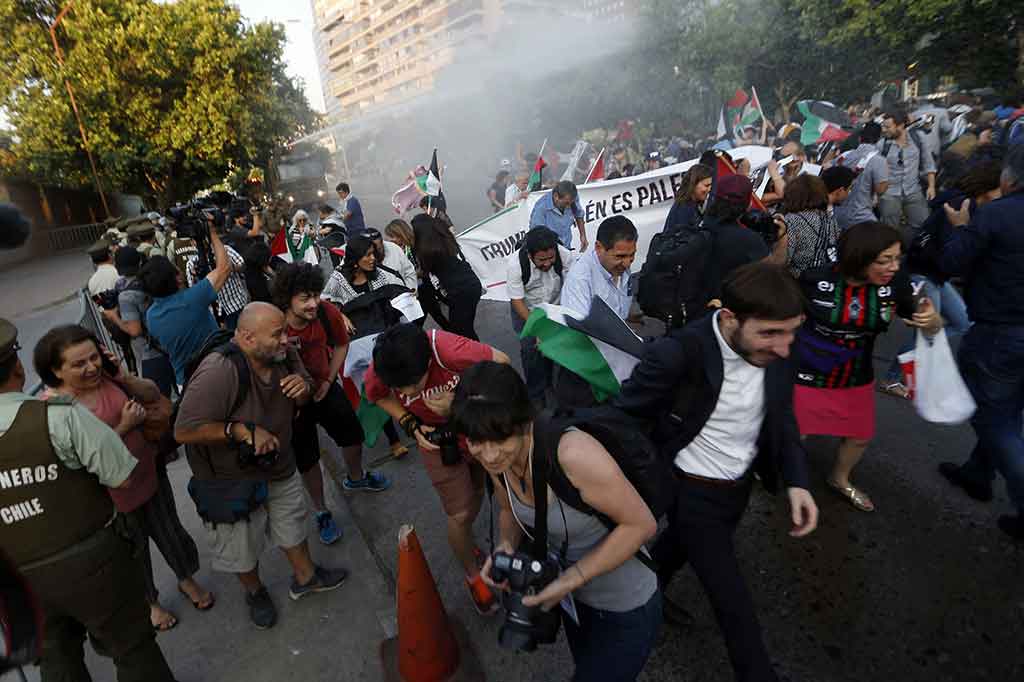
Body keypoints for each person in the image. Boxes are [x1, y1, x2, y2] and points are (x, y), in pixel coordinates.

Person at [612, 263, 818, 682]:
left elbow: (781, 415)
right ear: (729, 319)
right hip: (692, 492)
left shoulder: (780, 343)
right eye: (770, 335)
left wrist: (797, 480)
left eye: (791, 333)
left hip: (737, 489)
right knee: (734, 604)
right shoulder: (679, 354)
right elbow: (623, 418)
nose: (784, 349)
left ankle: (646, 591)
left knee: (677, 549)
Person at [452, 362, 660, 682]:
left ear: (524, 421)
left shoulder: (572, 454)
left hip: (625, 605)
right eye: (476, 441)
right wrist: (506, 548)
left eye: (501, 438)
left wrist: (568, 580)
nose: (490, 455)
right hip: (574, 601)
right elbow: (508, 510)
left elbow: (641, 525)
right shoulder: (496, 460)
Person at [0, 318, 176, 681]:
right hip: (92, 561)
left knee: (55, 659)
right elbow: (121, 474)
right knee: (131, 647)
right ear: (17, 368)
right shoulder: (59, 417)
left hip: (18, 579)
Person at [173, 302, 348, 628]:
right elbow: (183, 430)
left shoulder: (286, 354)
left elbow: (306, 392)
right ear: (246, 338)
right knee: (242, 545)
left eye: (284, 330)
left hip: (279, 464)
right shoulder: (218, 372)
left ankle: (306, 577)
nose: (286, 339)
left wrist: (303, 390)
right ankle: (255, 592)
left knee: (291, 521)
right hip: (230, 480)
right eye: (277, 334)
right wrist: (241, 431)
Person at [34, 325, 214, 632]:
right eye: (79, 364)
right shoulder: (53, 410)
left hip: (148, 471)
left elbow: (151, 394)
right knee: (134, 552)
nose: (91, 367)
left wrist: (121, 375)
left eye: (94, 358)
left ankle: (186, 579)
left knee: (170, 530)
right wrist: (124, 427)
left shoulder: (108, 377)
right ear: (56, 370)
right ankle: (151, 603)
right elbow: (76, 466)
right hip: (110, 496)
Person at [364, 323, 510, 614]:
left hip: (474, 427)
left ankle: (472, 543)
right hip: (435, 440)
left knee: (480, 491)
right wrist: (409, 422)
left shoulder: (448, 350)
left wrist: (461, 403)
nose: (406, 392)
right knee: (459, 513)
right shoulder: (386, 366)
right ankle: (473, 576)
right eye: (401, 388)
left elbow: (503, 366)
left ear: (429, 362)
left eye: (413, 385)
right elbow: (377, 395)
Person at [795, 222, 941, 512]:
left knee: (860, 434)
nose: (893, 267)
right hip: (808, 369)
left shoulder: (897, 284)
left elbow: (931, 330)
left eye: (897, 258)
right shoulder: (814, 279)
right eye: (884, 260)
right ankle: (783, 473)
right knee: (796, 432)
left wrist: (932, 320)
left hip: (856, 372)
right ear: (859, 258)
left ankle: (839, 478)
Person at [272, 262, 392, 546]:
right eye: (305, 299)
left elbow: (341, 343)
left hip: (325, 390)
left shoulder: (326, 312)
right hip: (292, 404)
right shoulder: (274, 323)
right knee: (307, 458)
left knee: (352, 435)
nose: (313, 303)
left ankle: (356, 476)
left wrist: (327, 380)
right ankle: (322, 511)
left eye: (315, 295)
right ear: (286, 299)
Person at [938, 146, 1024, 540]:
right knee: (1007, 408)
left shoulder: (996, 214)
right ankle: (978, 471)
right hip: (1007, 334)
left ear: (1009, 179)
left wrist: (960, 227)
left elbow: (951, 262)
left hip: (1000, 332)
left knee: (994, 417)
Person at [880, 160, 999, 398]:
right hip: (924, 272)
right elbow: (948, 251)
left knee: (962, 322)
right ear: (988, 187)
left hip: (936, 274)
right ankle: (893, 378)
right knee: (927, 330)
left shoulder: (968, 203)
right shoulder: (961, 206)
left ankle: (921, 362)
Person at [139, 224, 233, 387]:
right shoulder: (193, 299)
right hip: (215, 375)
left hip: (186, 383)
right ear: (177, 278)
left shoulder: (151, 316)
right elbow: (224, 268)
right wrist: (212, 232)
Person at [506, 227, 575, 406]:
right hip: (527, 310)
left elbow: (573, 287)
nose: (547, 263)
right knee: (531, 351)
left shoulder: (564, 255)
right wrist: (538, 329)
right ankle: (536, 395)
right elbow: (518, 301)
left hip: (555, 306)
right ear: (530, 255)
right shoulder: (515, 265)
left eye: (551, 258)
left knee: (553, 346)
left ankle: (550, 384)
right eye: (541, 260)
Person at [100, 246, 176, 397]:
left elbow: (135, 330)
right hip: (170, 344)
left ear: (117, 265)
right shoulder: (151, 280)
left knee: (159, 399)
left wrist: (113, 316)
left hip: (151, 354)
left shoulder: (126, 295)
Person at [411, 214, 484, 340]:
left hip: (460, 291)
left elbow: (426, 273)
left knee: (462, 331)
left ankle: (479, 356)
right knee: (464, 329)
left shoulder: (427, 250)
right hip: (470, 285)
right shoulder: (443, 240)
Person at [321, 235, 410, 337]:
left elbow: (387, 300)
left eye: (373, 253)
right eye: (368, 255)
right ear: (355, 258)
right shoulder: (338, 279)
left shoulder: (378, 274)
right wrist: (340, 316)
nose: (373, 258)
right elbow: (324, 304)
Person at [560, 215, 636, 320]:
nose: (627, 264)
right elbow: (580, 330)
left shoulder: (619, 266)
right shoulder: (579, 280)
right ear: (599, 248)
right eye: (620, 256)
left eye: (632, 255)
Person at [878, 108, 936, 236]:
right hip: (889, 193)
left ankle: (912, 248)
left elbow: (928, 163)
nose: (884, 130)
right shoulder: (882, 145)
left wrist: (931, 187)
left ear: (901, 125)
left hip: (913, 190)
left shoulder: (918, 138)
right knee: (889, 228)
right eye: (883, 126)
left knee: (923, 224)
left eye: (888, 127)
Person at [776, 174, 840, 278]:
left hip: (797, 284)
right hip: (824, 283)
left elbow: (782, 261)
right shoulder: (831, 220)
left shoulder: (792, 220)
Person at [185, 233, 251, 330]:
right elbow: (193, 289)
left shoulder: (225, 250)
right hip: (215, 312)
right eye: (195, 240)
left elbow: (242, 265)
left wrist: (227, 267)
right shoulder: (192, 264)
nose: (200, 243)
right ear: (191, 243)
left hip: (236, 303)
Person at [833, 122, 889, 230]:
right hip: (861, 217)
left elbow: (826, 168)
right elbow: (880, 190)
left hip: (837, 215)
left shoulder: (845, 156)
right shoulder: (878, 160)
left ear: (859, 138)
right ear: (878, 139)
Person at [529, 180, 588, 251]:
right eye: (566, 203)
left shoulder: (572, 197)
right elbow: (537, 236)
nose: (569, 206)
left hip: (567, 247)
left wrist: (583, 235)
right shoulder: (541, 209)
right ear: (556, 196)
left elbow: (579, 214)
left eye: (571, 203)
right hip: (550, 251)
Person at [362, 227, 418, 291]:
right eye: (373, 251)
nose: (377, 252)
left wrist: (411, 291)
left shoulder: (394, 248)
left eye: (379, 248)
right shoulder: (360, 259)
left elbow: (409, 272)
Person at [662, 163, 713, 235]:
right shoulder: (684, 209)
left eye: (711, 185)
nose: (710, 189)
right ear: (693, 184)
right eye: (706, 185)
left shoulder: (695, 205)